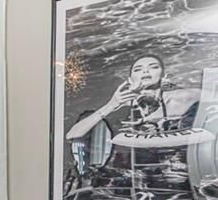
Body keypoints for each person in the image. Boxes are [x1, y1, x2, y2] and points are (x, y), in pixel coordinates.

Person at [66, 54, 199, 140]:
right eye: (138, 69)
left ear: (163, 75)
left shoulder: (182, 97)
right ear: (130, 80)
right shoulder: (123, 106)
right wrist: (111, 105)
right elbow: (72, 135)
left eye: (153, 67)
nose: (145, 71)